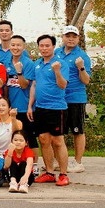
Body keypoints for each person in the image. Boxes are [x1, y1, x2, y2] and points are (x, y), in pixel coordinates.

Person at [26, 33, 70, 186]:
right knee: (44, 139)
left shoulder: (61, 63)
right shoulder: (37, 64)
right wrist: (30, 106)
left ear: (53, 47)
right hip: (40, 108)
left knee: (58, 141)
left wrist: (57, 71)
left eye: (47, 45)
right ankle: (50, 172)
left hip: (57, 108)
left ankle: (63, 174)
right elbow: (34, 85)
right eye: (42, 46)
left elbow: (63, 85)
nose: (44, 48)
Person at [56, 24, 92, 173]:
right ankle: (61, 161)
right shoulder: (56, 53)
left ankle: (78, 162)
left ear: (78, 38)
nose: (70, 39)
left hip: (75, 98)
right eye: (68, 36)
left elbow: (86, 80)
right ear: (63, 37)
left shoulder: (82, 56)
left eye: (74, 36)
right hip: (59, 98)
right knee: (58, 132)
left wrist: (81, 67)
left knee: (78, 131)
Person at [5, 35, 37, 147]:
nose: (15, 48)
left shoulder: (28, 63)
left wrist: (19, 72)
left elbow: (24, 85)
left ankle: (33, 159)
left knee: (29, 138)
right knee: (14, 138)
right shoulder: (7, 62)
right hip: (12, 108)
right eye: (13, 45)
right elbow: (6, 85)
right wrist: (7, 103)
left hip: (25, 107)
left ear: (23, 47)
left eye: (18, 45)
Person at [5, 129, 35, 194]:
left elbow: (29, 165)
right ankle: (13, 183)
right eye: (15, 140)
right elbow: (6, 166)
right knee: (13, 163)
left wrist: (25, 177)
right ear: (11, 141)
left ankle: (23, 185)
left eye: (21, 140)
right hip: (12, 176)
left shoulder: (28, 151)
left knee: (23, 163)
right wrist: (10, 153)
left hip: (26, 176)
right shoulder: (9, 151)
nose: (18, 142)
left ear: (26, 143)